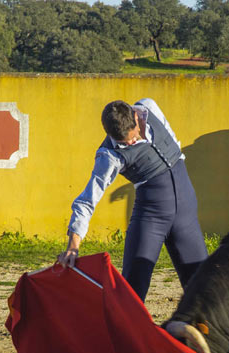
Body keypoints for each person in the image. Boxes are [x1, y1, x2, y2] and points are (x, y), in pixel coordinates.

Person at [57, 98, 208, 302]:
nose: (130, 143)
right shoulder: (109, 155)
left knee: (203, 288)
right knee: (132, 291)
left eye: (132, 136)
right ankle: (121, 334)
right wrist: (73, 244)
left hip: (186, 213)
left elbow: (172, 140)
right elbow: (88, 199)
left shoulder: (149, 107)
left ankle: (200, 334)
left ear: (136, 118)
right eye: (123, 142)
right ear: (110, 134)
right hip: (151, 218)